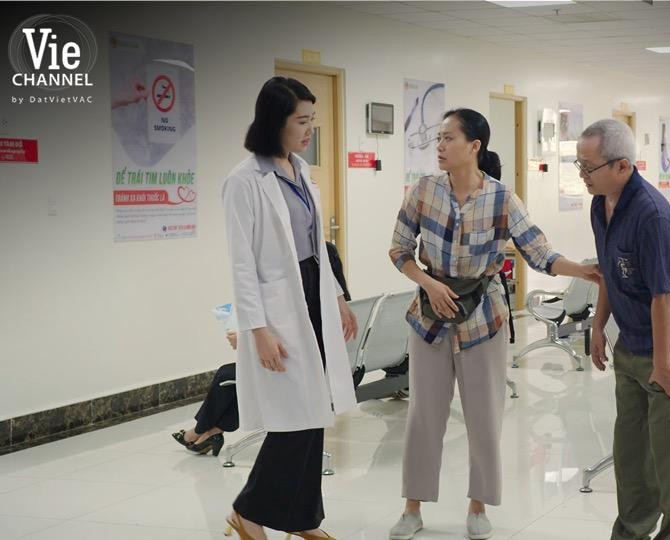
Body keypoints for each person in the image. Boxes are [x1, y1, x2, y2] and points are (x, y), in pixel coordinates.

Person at [387, 108, 600, 540]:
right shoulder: (424, 191)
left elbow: (539, 252)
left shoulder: (503, 199)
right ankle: (412, 507)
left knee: (484, 417)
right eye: (438, 138)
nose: (440, 146)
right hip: (430, 318)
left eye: (448, 138)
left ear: (474, 146)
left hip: (484, 317)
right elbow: (399, 249)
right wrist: (429, 283)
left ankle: (478, 505)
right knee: (424, 416)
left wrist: (584, 271)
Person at [222, 77, 360, 540]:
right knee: (294, 418)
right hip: (279, 307)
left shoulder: (301, 170)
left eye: (312, 120)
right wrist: (257, 329)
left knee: (315, 411)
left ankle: (302, 518)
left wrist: (337, 297)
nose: (309, 130)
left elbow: (318, 245)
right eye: (301, 121)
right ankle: (247, 511)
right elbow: (242, 264)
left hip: (313, 293)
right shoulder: (244, 181)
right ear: (274, 121)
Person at [582, 119, 670, 540]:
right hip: (634, 343)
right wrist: (598, 326)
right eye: (579, 165)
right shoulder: (600, 205)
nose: (582, 175)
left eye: (588, 167)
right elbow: (608, 272)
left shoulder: (651, 214)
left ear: (622, 166)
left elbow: (663, 296)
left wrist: (663, 364)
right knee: (632, 457)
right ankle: (631, 533)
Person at [172, 243, 352, 458]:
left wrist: (247, 342)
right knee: (239, 374)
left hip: (297, 362)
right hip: (320, 359)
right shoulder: (326, 259)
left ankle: (201, 430)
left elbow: (297, 331)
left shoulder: (291, 266)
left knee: (228, 375)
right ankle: (210, 431)